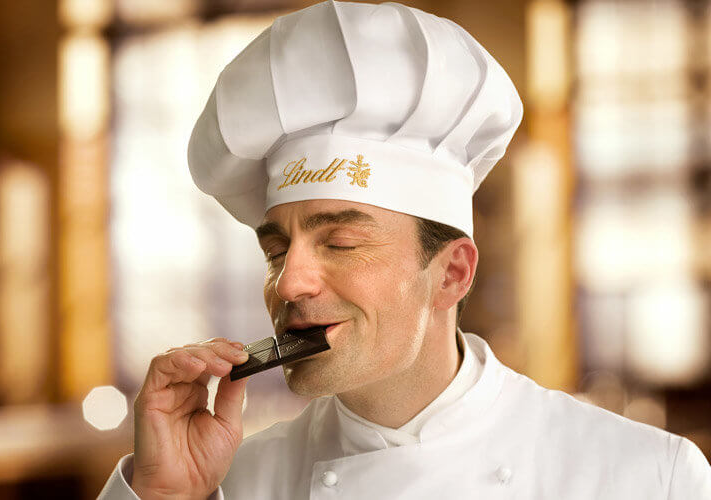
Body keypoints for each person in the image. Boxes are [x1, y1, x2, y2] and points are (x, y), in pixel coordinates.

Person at [99, 1, 711, 498]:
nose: (288, 283)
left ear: (451, 274)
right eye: (277, 251)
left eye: (340, 242)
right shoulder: (223, 483)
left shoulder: (647, 478)